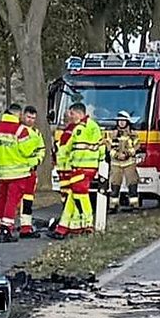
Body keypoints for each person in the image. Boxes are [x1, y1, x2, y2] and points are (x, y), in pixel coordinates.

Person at [50, 102, 104, 239]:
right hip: (79, 168)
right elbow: (69, 148)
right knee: (72, 196)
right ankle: (64, 228)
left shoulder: (86, 127)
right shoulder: (85, 127)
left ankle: (87, 225)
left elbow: (98, 146)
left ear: (79, 113)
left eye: (72, 113)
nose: (70, 116)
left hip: (84, 167)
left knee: (80, 195)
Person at [0, 103, 33, 242]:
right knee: (12, 201)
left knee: (0, 199)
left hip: (0, 172)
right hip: (17, 172)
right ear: (18, 114)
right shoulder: (20, 130)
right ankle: (6, 229)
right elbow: (27, 151)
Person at [17, 105, 46, 238]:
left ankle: (26, 226)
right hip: (18, 170)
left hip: (31, 171)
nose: (30, 120)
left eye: (33, 118)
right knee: (14, 199)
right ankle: (8, 225)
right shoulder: (17, 131)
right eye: (28, 117)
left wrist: (36, 161)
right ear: (23, 116)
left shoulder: (36, 133)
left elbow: (41, 150)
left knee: (28, 199)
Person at [108, 110, 142, 211]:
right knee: (115, 184)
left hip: (129, 163)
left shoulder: (133, 134)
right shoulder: (112, 134)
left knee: (132, 183)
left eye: (123, 121)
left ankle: (134, 205)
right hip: (116, 164)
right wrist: (117, 155)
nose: (121, 123)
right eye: (119, 121)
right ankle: (113, 206)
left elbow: (137, 146)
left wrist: (128, 154)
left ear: (127, 122)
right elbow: (109, 147)